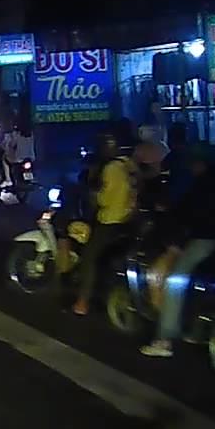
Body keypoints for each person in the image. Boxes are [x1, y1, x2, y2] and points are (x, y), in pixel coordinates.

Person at [141, 145, 215, 357]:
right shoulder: (202, 182)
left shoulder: (204, 184)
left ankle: (164, 339)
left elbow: (191, 214)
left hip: (206, 240)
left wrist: (176, 235)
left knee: (175, 280)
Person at [73, 131, 138, 316]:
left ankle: (82, 302)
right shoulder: (128, 164)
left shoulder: (111, 168)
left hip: (111, 220)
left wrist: (95, 196)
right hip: (130, 219)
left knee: (89, 258)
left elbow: (106, 198)